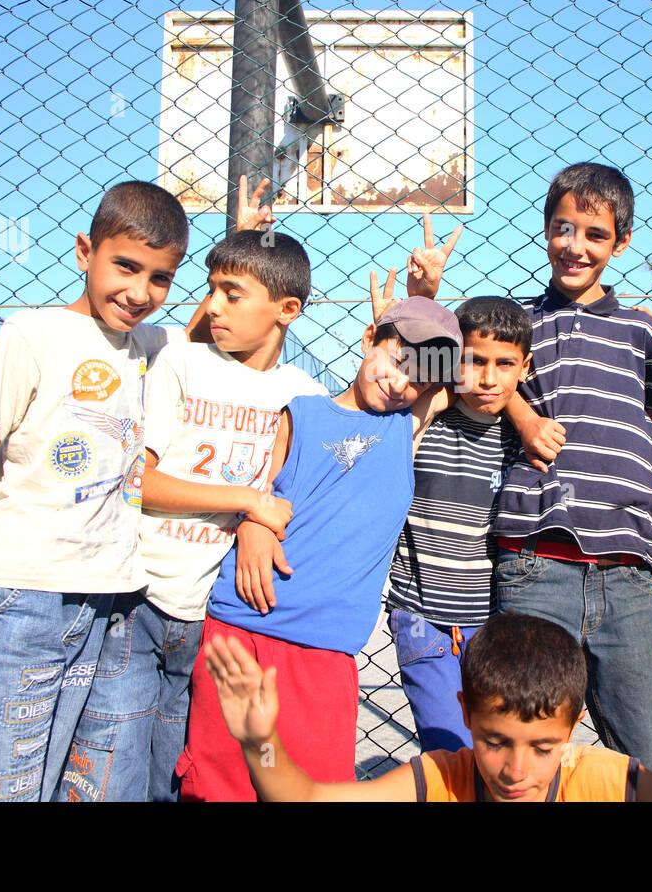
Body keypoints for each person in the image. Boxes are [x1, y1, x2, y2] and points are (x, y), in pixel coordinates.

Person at [0, 177, 275, 802]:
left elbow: (207, 326)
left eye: (160, 278)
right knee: (6, 786)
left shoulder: (152, 346)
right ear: (83, 252)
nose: (139, 292)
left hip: (111, 605)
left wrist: (242, 239)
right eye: (125, 266)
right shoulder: (32, 334)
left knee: (87, 784)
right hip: (19, 598)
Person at [58, 229, 328, 802]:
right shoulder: (182, 362)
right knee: (113, 761)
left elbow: (294, 497)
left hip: (215, 612)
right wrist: (244, 501)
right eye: (211, 290)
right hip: (139, 597)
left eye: (232, 293)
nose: (214, 305)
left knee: (180, 767)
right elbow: (140, 482)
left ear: (287, 310)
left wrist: (259, 519)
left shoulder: (303, 396)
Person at [177, 285, 463, 802]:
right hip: (242, 629)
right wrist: (254, 523)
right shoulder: (301, 410)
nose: (400, 383)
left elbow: (480, 379)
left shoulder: (406, 426)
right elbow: (258, 492)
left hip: (326, 653)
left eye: (418, 378)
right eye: (395, 360)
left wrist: (424, 299)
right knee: (219, 786)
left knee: (313, 788)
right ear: (368, 338)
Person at [203, 611, 652, 801]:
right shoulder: (440, 778)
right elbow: (304, 799)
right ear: (465, 714)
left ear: (574, 728)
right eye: (496, 741)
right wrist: (260, 739)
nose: (516, 770)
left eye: (542, 747)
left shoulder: (606, 780)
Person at [492, 162, 652, 778]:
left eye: (594, 234)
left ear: (620, 243)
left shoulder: (645, 331)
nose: (575, 246)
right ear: (546, 229)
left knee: (645, 761)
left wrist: (641, 488)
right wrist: (522, 415)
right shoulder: (517, 321)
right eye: (563, 228)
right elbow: (472, 372)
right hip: (535, 561)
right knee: (529, 751)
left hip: (626, 570)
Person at [385, 295, 531, 752]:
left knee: (499, 745)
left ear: (524, 367)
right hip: (421, 615)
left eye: (504, 363)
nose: (488, 378)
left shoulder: (523, 438)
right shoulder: (426, 417)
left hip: (493, 622)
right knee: (450, 747)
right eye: (473, 361)